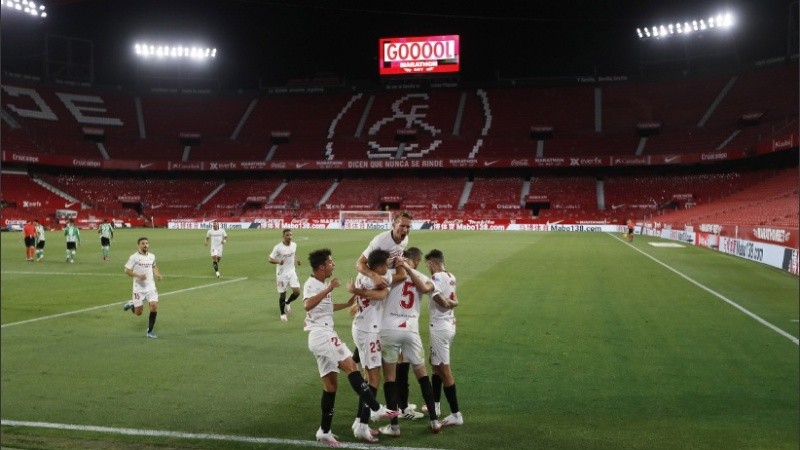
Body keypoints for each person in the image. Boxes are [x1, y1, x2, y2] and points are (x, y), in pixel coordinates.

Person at [303, 248, 398, 446]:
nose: (333, 265)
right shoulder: (312, 284)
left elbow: (326, 307)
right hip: (322, 334)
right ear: (321, 267)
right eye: (330, 262)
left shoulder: (319, 283)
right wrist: (328, 289)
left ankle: (324, 431)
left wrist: (347, 304)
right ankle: (375, 408)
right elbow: (307, 305)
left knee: (330, 386)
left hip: (325, 332)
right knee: (351, 366)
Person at [379, 247, 443, 436]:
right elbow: (429, 290)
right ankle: (434, 421)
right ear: (416, 260)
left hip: (389, 329)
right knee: (423, 376)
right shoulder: (423, 277)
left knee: (390, 379)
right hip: (410, 330)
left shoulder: (390, 275)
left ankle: (394, 426)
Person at [347, 249, 408, 438]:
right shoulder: (376, 279)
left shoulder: (365, 274)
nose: (386, 268)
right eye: (384, 265)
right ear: (376, 267)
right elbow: (382, 294)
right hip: (368, 331)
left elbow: (399, 275)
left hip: (365, 328)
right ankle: (364, 424)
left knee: (370, 376)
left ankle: (359, 421)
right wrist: (399, 264)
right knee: (373, 377)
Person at [418, 249, 462, 427]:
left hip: (440, 328)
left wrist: (448, 303)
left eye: (427, 265)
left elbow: (442, 302)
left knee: (444, 370)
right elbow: (454, 300)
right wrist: (454, 304)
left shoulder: (436, 278)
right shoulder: (451, 276)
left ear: (432, 263)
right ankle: (434, 406)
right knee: (435, 364)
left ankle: (456, 414)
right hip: (449, 325)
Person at [356, 211, 412, 289]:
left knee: (409, 273)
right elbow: (359, 263)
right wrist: (374, 276)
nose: (405, 230)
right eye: (402, 226)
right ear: (393, 225)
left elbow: (397, 256)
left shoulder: (405, 239)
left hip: (388, 273)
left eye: (408, 227)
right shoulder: (380, 241)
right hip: (370, 278)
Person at [122, 237, 163, 339]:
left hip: (150, 287)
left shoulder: (152, 256)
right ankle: (132, 304)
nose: (145, 245)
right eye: (143, 243)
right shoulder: (134, 257)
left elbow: (153, 266)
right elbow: (126, 270)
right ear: (138, 245)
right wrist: (138, 276)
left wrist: (158, 274)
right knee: (138, 313)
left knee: (154, 306)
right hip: (138, 288)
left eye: (147, 243)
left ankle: (150, 331)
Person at [268, 228, 301, 322]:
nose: (289, 236)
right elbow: (270, 259)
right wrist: (278, 261)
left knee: (297, 292)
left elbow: (293, 254)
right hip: (281, 274)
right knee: (282, 295)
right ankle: (282, 313)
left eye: (290, 235)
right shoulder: (278, 247)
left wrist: (297, 260)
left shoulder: (294, 245)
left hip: (292, 272)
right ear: (283, 236)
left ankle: (288, 302)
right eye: (287, 235)